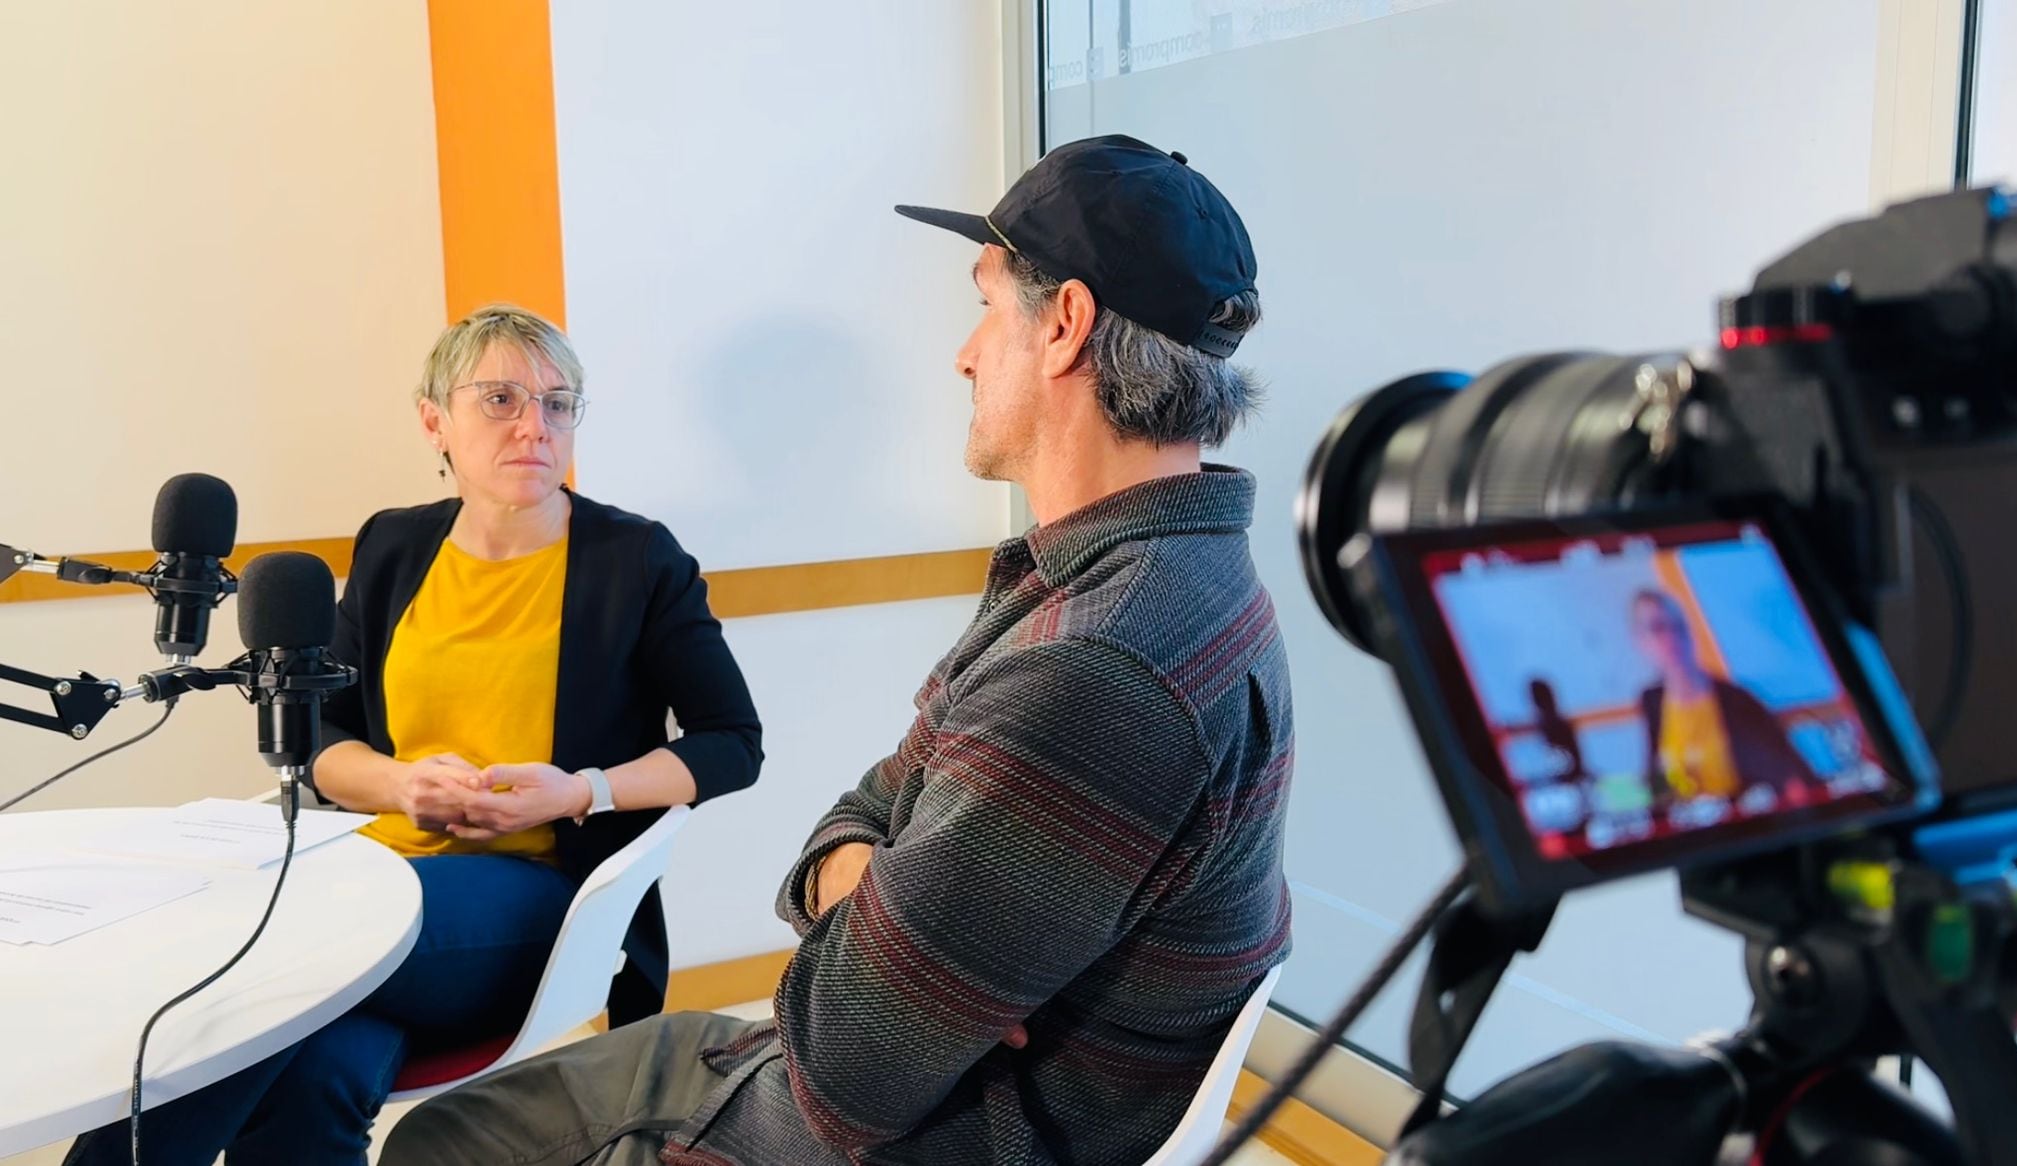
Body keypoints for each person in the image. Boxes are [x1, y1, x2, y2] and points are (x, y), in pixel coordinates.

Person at [385, 134, 1293, 1165]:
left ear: (1064, 326)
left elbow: (844, 1059)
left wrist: (878, 929)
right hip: (911, 1086)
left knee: (440, 1143)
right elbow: (858, 812)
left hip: (901, 1131)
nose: (962, 351)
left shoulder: (1097, 663)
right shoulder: (1135, 583)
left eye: (987, 305)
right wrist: (875, 903)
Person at [65, 304, 764, 1166]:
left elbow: (731, 743)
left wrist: (581, 790)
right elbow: (325, 736)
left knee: (254, 971)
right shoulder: (394, 545)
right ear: (435, 419)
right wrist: (400, 786)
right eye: (501, 399)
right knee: (320, 1068)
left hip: (538, 886)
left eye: (558, 402)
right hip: (366, 869)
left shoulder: (638, 558)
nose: (534, 427)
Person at [1630, 589, 1814, 803]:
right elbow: (1657, 783)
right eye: (1657, 628)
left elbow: (1789, 774)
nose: (1671, 637)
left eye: (1678, 627)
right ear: (1640, 641)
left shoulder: (1737, 699)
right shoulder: (1651, 700)